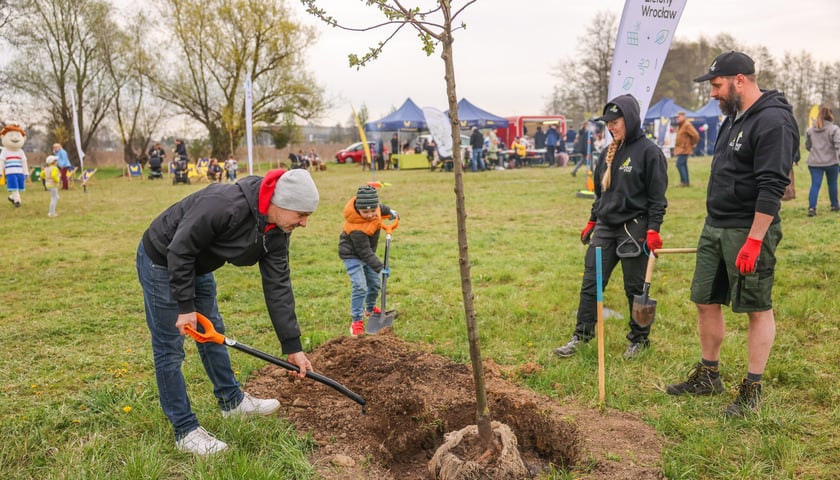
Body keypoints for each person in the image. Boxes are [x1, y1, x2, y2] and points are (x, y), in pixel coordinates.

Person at [136, 168, 320, 456]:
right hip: (164, 259)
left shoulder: (276, 232)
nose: (305, 223)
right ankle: (185, 430)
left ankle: (231, 402)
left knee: (214, 333)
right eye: (301, 214)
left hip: (197, 265)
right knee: (169, 348)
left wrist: (292, 346)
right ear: (279, 203)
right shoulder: (224, 204)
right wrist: (185, 307)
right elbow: (180, 249)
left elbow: (278, 286)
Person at [666, 51, 799, 418]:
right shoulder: (732, 118)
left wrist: (755, 239)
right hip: (715, 226)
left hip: (749, 229)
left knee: (757, 307)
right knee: (705, 299)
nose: (712, 94)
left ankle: (752, 388)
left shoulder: (773, 120)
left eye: (717, 85)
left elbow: (772, 185)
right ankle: (708, 375)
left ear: (740, 80)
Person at [553, 93, 668, 360]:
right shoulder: (607, 152)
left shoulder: (650, 153)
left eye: (615, 121)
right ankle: (580, 337)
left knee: (636, 288)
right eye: (608, 123)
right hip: (605, 227)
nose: (611, 127)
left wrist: (654, 230)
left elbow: (657, 198)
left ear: (630, 119)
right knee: (591, 283)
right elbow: (601, 194)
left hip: (634, 228)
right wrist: (593, 220)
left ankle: (640, 340)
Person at [339, 186, 396, 336]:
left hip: (367, 254)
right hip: (352, 255)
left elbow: (381, 208)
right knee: (360, 287)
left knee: (375, 283)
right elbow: (363, 252)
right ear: (358, 209)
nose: (370, 215)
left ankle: (369, 309)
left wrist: (390, 212)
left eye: (373, 211)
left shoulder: (375, 208)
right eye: (366, 212)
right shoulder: (356, 227)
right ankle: (356, 321)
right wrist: (379, 267)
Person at [804, 105, 840, 216]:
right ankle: (834, 205)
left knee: (815, 185)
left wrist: (816, 151)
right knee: (832, 184)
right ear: (831, 115)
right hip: (831, 162)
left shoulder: (810, 130)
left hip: (814, 162)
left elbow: (807, 146)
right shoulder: (834, 129)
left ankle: (812, 208)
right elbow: (838, 145)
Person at [674, 111, 700, 187]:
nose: (677, 119)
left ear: (683, 117)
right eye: (676, 117)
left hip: (684, 149)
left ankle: (684, 182)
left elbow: (695, 135)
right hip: (682, 148)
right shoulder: (681, 125)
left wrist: (693, 143)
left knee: (679, 164)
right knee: (683, 164)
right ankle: (685, 182)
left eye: (678, 117)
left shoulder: (687, 125)